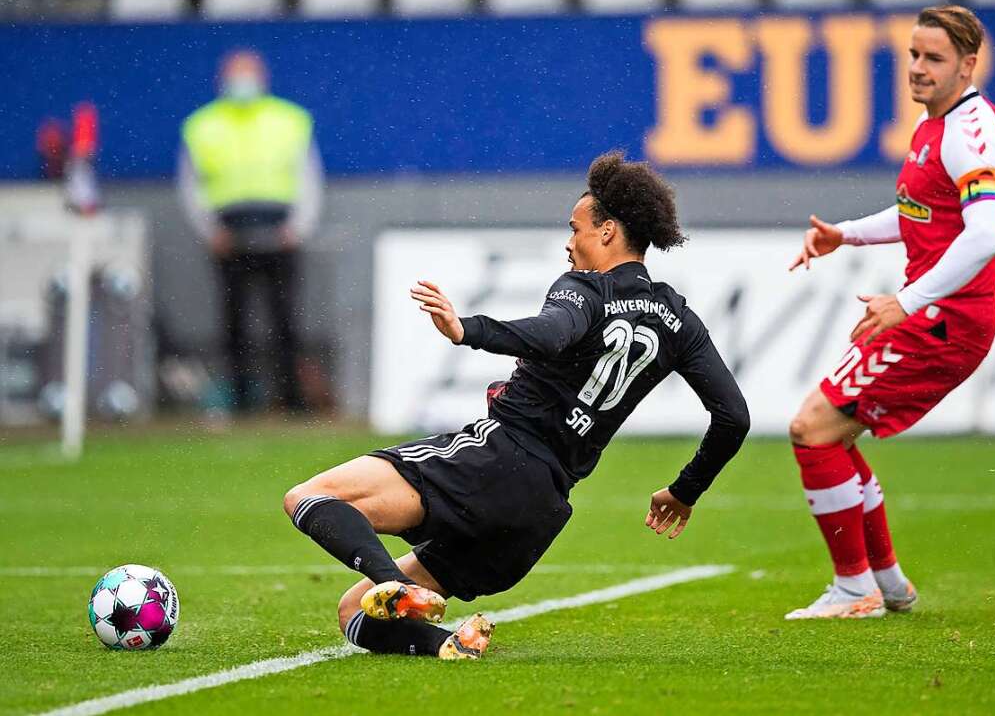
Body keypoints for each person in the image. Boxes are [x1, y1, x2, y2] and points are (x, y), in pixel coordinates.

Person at [283, 151, 750, 659]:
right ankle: (448, 643)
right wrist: (684, 491)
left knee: (311, 497)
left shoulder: (585, 290)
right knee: (354, 614)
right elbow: (733, 418)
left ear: (609, 231)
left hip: (495, 460)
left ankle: (397, 586)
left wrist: (469, 330)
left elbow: (551, 335)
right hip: (540, 511)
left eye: (576, 229)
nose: (569, 243)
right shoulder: (678, 318)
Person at [786, 6, 995, 620]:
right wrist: (848, 235)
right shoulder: (934, 124)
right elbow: (922, 213)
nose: (917, 68)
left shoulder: (972, 133)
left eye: (933, 58)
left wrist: (907, 301)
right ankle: (886, 584)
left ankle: (855, 587)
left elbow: (986, 234)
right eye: (913, 55)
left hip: (943, 321)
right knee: (833, 432)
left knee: (813, 429)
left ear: (968, 65)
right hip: (927, 312)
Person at [178, 50, 323, 412]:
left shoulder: (289, 120)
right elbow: (191, 185)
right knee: (234, 323)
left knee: (285, 321)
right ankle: (241, 400)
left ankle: (291, 400)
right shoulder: (203, 125)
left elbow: (309, 177)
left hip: (279, 231)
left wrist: (299, 228)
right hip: (230, 233)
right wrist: (209, 230)